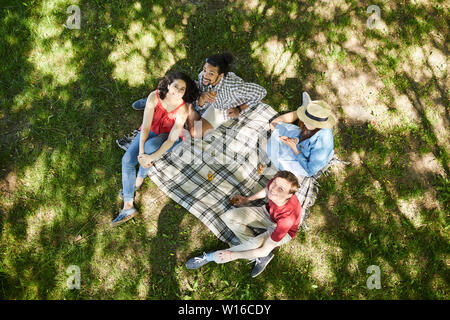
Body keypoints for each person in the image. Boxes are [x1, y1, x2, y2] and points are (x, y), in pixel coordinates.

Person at [111, 72, 199, 226]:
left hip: (167, 136)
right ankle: (128, 206)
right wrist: (140, 153)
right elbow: (145, 127)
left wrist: (150, 157)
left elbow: (172, 138)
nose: (177, 91)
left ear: (186, 91)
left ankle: (139, 179)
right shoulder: (154, 96)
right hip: (150, 130)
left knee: (150, 147)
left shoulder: (182, 109)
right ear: (168, 85)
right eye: (175, 86)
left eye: (182, 89)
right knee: (127, 160)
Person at [185, 170, 302, 277]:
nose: (273, 189)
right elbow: (267, 191)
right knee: (229, 217)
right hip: (268, 214)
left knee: (257, 247)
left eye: (280, 189)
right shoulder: (275, 184)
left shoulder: (287, 219)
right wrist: (247, 200)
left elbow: (265, 249)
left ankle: (211, 257)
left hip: (282, 229)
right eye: (274, 183)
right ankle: (259, 256)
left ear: (289, 195)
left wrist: (233, 255)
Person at [186, 52, 267, 137]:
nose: (205, 75)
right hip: (213, 103)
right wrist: (201, 99)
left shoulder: (233, 87)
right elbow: (202, 100)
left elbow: (261, 92)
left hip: (223, 108)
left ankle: (189, 108)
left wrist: (239, 109)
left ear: (221, 76)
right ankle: (190, 108)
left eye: (211, 73)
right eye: (204, 70)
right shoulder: (202, 77)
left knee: (196, 133)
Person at [264, 92, 336, 178]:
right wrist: (295, 140)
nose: (304, 123)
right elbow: (303, 136)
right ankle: (303, 108)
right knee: (273, 124)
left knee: (266, 145)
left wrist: (295, 149)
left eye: (307, 120)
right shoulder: (312, 127)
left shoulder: (322, 146)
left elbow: (310, 171)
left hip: (302, 162)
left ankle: (303, 109)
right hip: (300, 146)